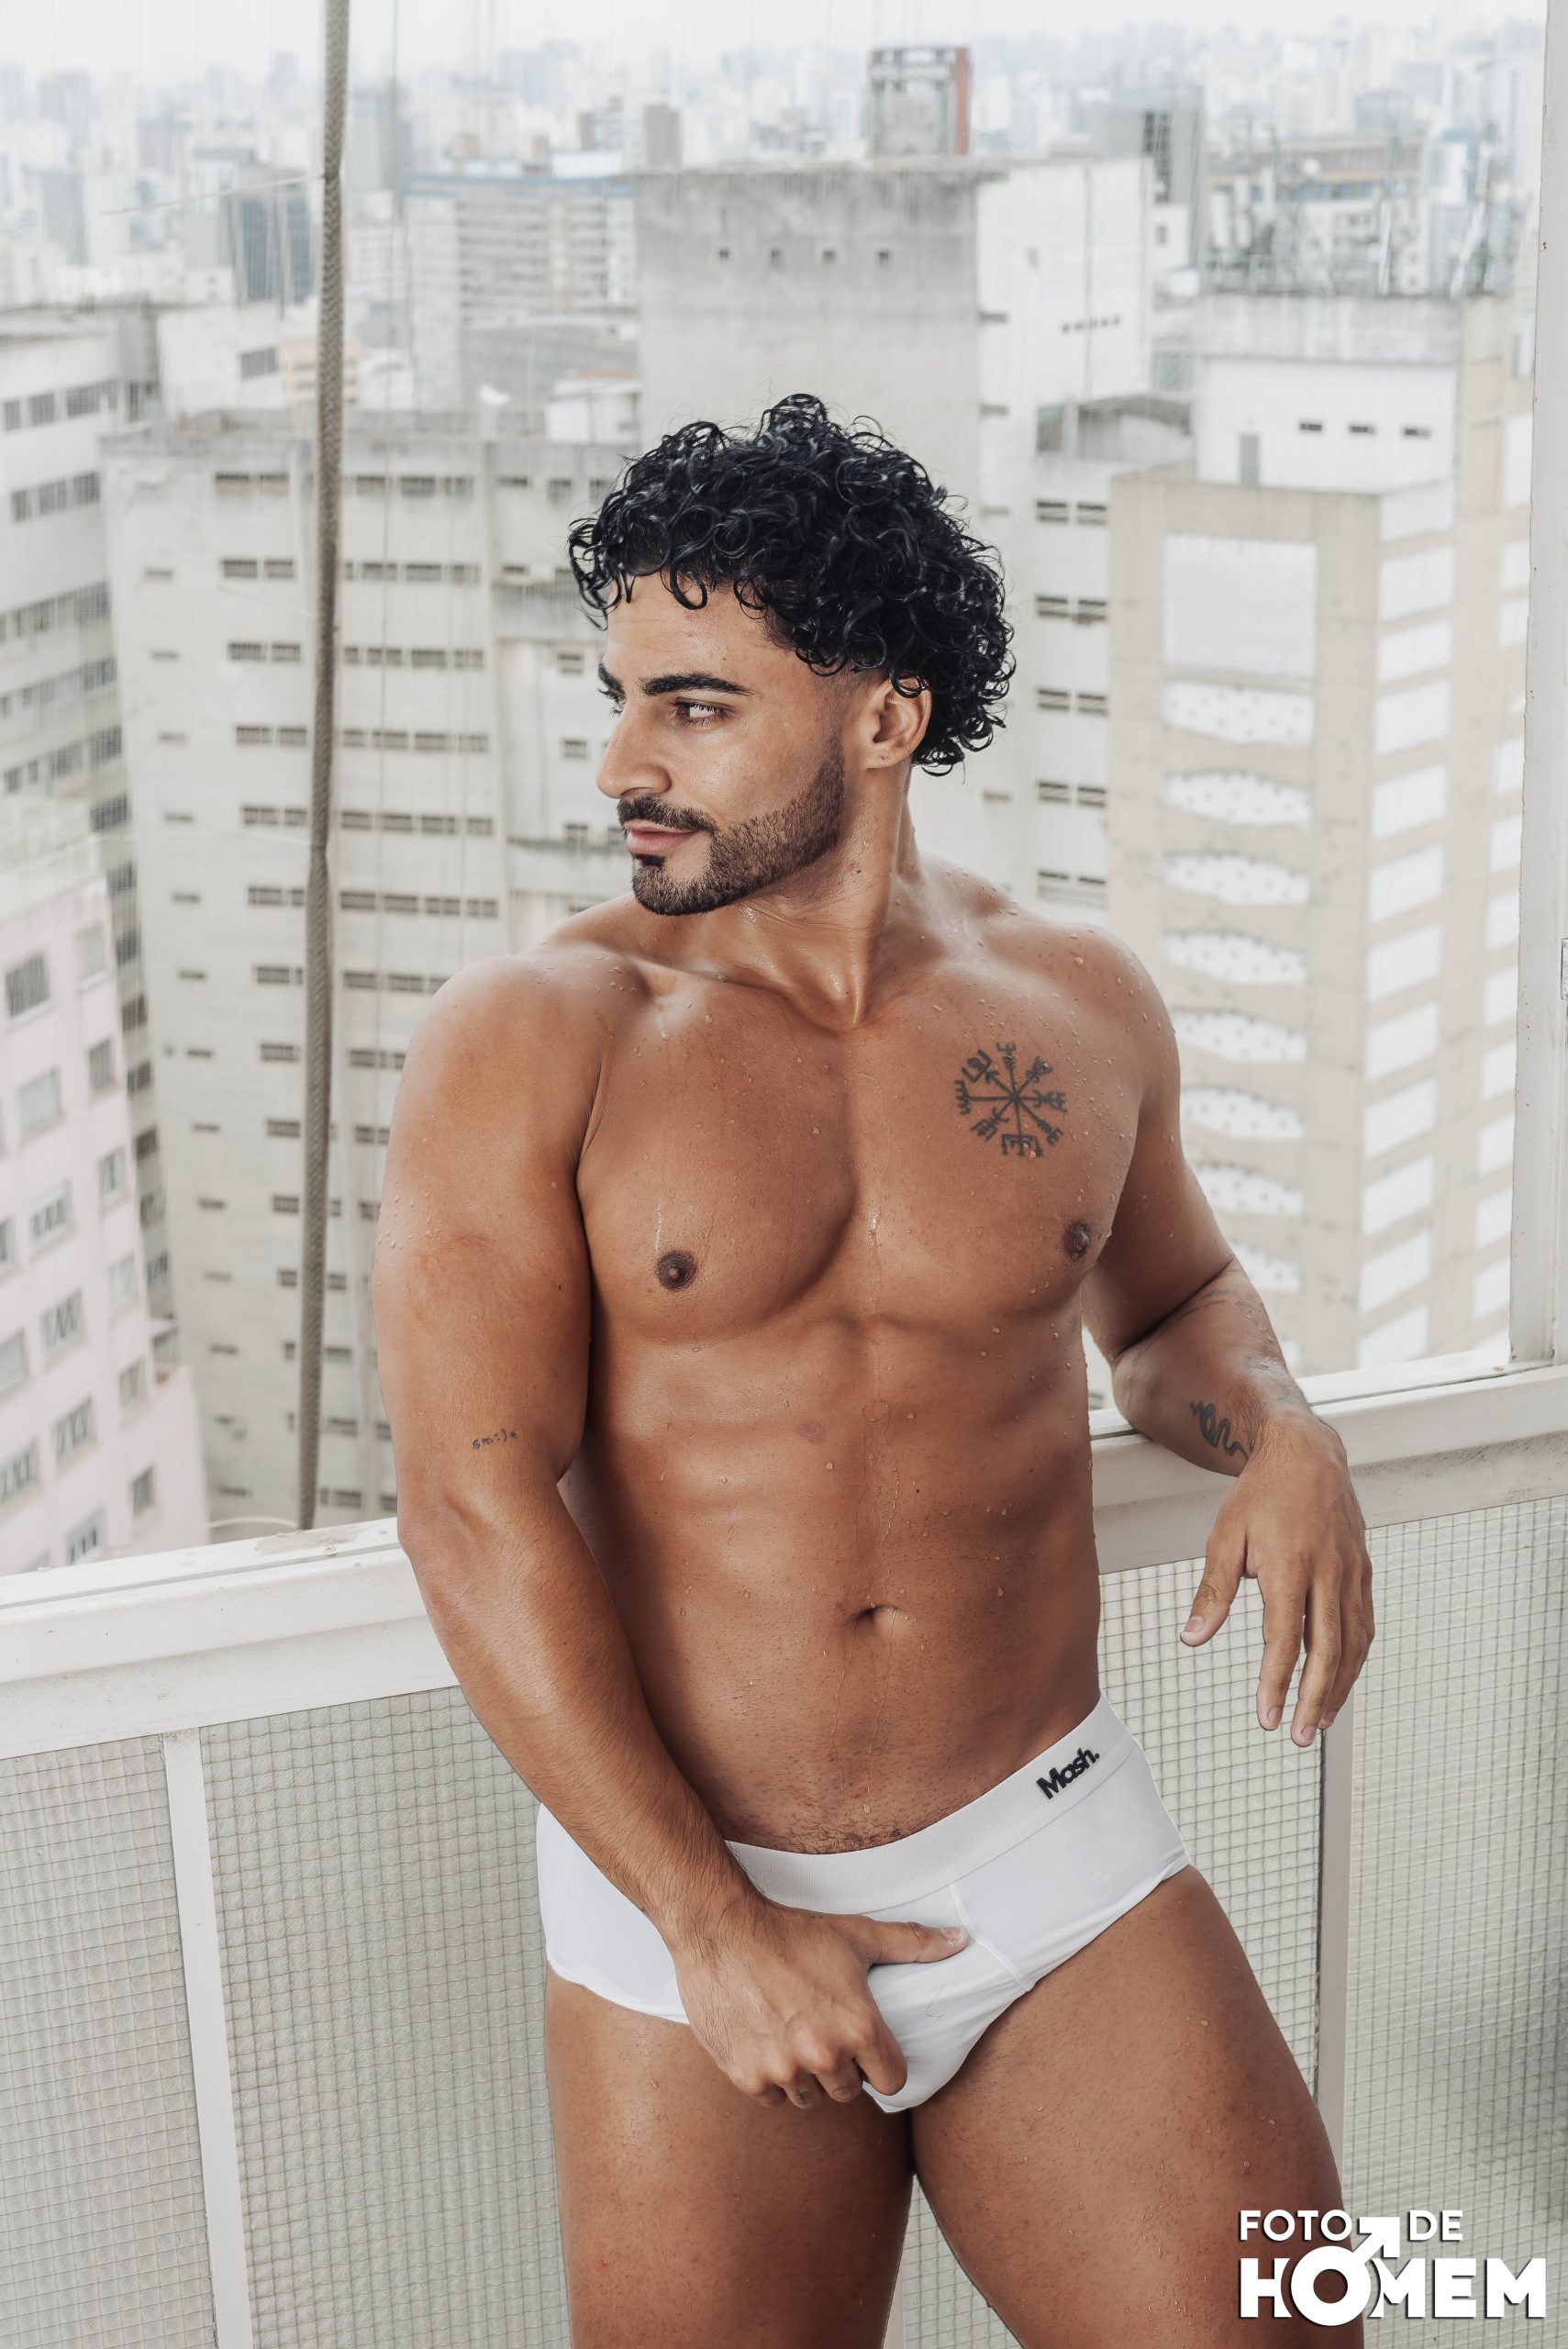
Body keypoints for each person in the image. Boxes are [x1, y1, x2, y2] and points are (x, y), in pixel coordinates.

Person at [373, 393, 1374, 2347]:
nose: (623, 763)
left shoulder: (1071, 1005)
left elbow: (1174, 1304)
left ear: (885, 717)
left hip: (1045, 1842)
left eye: (693, 707)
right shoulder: (538, 1034)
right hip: (690, 1892)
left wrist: (1282, 1427)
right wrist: (711, 1924)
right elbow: (468, 1505)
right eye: (618, 700)